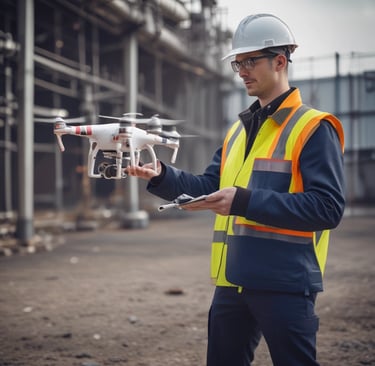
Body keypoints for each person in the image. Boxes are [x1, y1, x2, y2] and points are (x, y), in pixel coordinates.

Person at [126, 13, 345, 366]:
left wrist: (243, 201)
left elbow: (327, 208)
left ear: (279, 60)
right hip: (233, 282)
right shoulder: (238, 132)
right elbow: (210, 186)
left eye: (249, 61)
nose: (241, 70)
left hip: (285, 284)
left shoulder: (313, 128)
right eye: (237, 63)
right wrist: (162, 175)